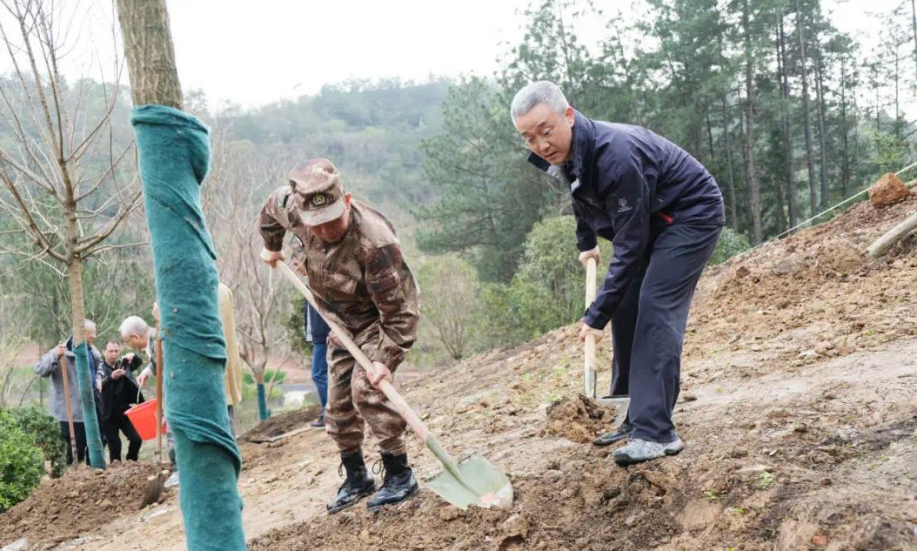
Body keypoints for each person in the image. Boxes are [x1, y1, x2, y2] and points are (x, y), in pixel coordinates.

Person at [510, 81, 725, 466]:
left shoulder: (616, 155)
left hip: (689, 214)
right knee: (626, 307)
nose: (540, 145)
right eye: (529, 138)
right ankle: (630, 415)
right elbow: (577, 192)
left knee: (655, 307)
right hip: (652, 217)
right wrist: (586, 242)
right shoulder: (566, 153)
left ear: (568, 116)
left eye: (546, 131)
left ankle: (656, 432)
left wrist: (595, 315)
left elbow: (629, 245)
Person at [259, 158, 420, 513]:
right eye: (317, 224)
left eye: (333, 220)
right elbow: (271, 208)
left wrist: (384, 359)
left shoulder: (375, 244)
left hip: (378, 322)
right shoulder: (293, 208)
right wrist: (272, 245)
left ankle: (400, 476)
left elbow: (402, 312)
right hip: (339, 322)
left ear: (345, 201)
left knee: (368, 389)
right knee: (338, 406)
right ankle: (357, 477)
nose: (327, 230)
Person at [34, 319, 104, 465]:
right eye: (92, 333)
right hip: (71, 412)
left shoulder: (91, 349)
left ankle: (94, 474)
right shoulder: (61, 350)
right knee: (75, 451)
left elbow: (100, 366)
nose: (95, 336)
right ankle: (71, 478)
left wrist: (98, 378)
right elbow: (40, 369)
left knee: (98, 443)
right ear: (81, 334)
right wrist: (55, 356)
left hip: (91, 407)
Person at [97, 341, 144, 462]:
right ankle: (116, 471)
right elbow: (98, 385)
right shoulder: (100, 368)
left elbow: (138, 362)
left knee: (137, 438)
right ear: (104, 352)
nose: (114, 354)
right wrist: (112, 377)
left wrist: (132, 355)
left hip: (124, 410)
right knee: (115, 447)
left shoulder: (122, 365)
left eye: (116, 351)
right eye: (110, 351)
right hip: (107, 413)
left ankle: (131, 462)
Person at [219, 283, 244, 435]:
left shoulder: (197, 292)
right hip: (227, 361)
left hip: (213, 365)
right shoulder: (223, 290)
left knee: (223, 416)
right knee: (227, 414)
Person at [305, 302, 330, 429]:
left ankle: (329, 413)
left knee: (318, 374)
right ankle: (330, 412)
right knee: (325, 374)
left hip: (325, 336)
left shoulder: (318, 285)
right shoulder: (307, 286)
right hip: (318, 337)